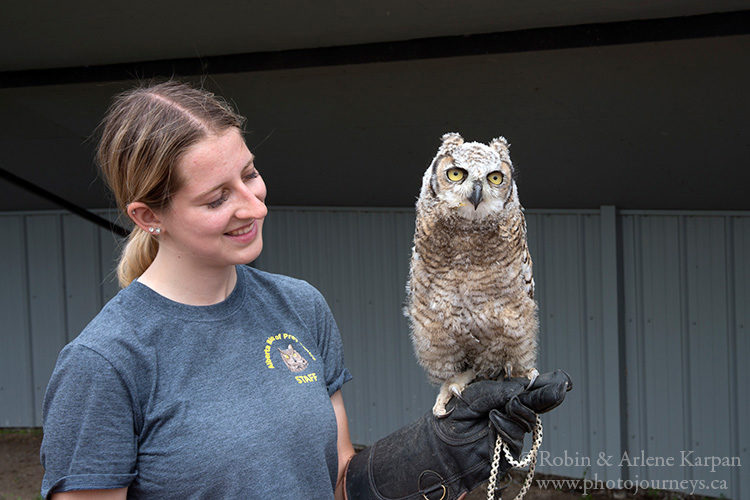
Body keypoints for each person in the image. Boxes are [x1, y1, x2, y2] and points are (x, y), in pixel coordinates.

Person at [40, 80, 571, 500]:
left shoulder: (298, 307)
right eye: (216, 198)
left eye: (250, 175)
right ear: (149, 215)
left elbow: (338, 483)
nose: (253, 206)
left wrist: (440, 449)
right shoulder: (105, 363)